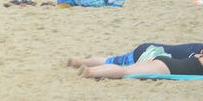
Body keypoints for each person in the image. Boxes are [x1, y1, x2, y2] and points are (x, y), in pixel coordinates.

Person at [68, 42, 203, 70]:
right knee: (115, 64)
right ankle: (80, 62)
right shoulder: (198, 53)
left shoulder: (197, 47)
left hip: (149, 49)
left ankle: (84, 60)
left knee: (113, 60)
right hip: (149, 54)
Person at [78, 51, 203, 79]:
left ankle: (92, 69)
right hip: (168, 68)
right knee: (125, 72)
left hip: (167, 61)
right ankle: (92, 72)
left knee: (125, 69)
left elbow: (198, 54)